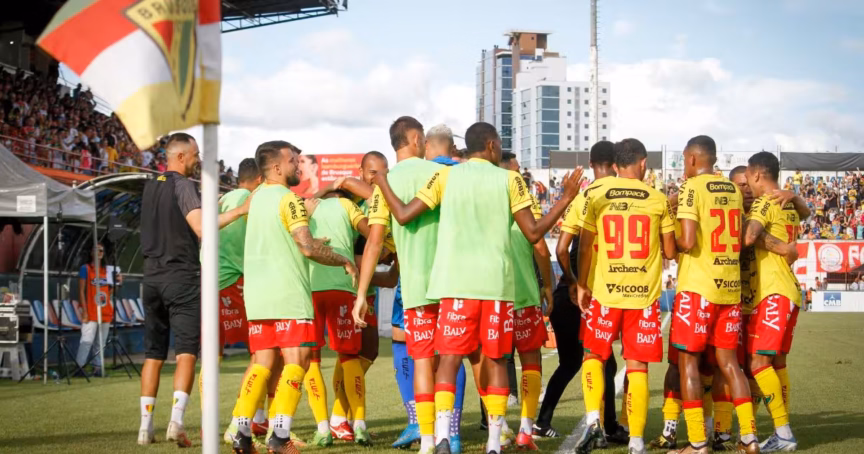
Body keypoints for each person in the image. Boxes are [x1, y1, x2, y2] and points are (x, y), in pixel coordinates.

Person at [365, 121, 582, 454]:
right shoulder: (509, 180)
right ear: (492, 146)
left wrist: (382, 183)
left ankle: (440, 437)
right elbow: (534, 233)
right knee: (494, 361)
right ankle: (494, 441)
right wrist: (565, 197)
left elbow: (405, 215)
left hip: (454, 286)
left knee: (448, 360)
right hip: (496, 288)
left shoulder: (445, 176)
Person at [228, 141, 357, 453]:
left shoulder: (255, 199)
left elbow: (282, 239)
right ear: (276, 167)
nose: (297, 165)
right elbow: (306, 248)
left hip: (257, 297)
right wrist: (344, 260)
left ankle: (241, 433)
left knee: (261, 364)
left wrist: (311, 239)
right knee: (297, 361)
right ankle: (280, 437)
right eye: (292, 161)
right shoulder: (290, 199)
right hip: (288, 294)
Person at [138, 133, 251, 446]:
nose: (198, 159)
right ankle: (176, 422)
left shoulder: (150, 185)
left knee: (153, 355)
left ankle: (145, 427)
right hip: (182, 277)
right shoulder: (183, 185)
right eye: (195, 154)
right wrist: (240, 211)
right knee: (186, 352)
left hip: (151, 278)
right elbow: (201, 227)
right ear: (180, 156)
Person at [574, 138, 676, 454]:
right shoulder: (658, 199)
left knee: (593, 356)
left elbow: (585, 246)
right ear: (643, 163)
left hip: (606, 293)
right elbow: (671, 251)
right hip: (643, 298)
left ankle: (593, 422)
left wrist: (581, 284)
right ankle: (636, 441)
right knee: (637, 367)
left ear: (616, 164)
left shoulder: (597, 194)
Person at [350, 116, 445, 454]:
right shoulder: (440, 173)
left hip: (414, 288)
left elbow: (374, 243)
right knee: (453, 359)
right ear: (417, 139)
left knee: (422, 360)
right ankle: (457, 434)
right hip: (451, 283)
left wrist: (362, 294)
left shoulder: (384, 187)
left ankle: (428, 439)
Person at [667, 136, 757, 454]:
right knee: (730, 364)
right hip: (730, 290)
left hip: (698, 288)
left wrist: (668, 236)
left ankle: (697, 443)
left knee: (688, 362)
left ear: (692, 159)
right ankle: (749, 438)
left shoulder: (691, 188)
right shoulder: (732, 189)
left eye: (684, 159)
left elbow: (688, 241)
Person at [538, 141, 626, 444]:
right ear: (616, 164)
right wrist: (581, 284)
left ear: (591, 164)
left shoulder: (585, 197)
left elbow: (561, 248)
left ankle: (544, 421)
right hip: (595, 296)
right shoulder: (623, 195)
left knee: (573, 363)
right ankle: (608, 426)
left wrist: (573, 281)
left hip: (569, 294)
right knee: (605, 362)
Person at [742, 151, 804, 452]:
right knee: (777, 363)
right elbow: (805, 213)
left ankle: (783, 432)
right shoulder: (788, 203)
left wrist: (779, 247)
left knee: (758, 362)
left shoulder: (764, 203)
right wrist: (796, 196)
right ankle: (782, 430)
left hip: (773, 292)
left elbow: (749, 237)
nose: (748, 185)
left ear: (756, 174)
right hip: (788, 291)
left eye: (748, 178)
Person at [220, 159, 284, 444]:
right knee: (265, 354)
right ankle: (240, 423)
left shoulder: (224, 199)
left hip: (218, 280)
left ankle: (255, 419)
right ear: (260, 179)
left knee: (253, 354)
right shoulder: (249, 200)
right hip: (236, 280)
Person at [498, 152, 554, 450]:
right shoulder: (525, 202)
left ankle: (498, 429)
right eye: (517, 169)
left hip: (492, 297)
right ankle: (525, 430)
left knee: (493, 362)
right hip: (524, 296)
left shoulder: (484, 201)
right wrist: (547, 285)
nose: (521, 172)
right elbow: (540, 245)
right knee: (531, 361)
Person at [74, 242, 117, 375]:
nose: (99, 253)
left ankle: (98, 368)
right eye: (96, 250)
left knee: (101, 342)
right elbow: (81, 291)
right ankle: (79, 367)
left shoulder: (107, 270)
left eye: (101, 251)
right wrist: (84, 311)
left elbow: (109, 293)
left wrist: (118, 283)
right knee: (87, 340)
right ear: (91, 253)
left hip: (105, 310)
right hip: (91, 311)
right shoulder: (85, 268)